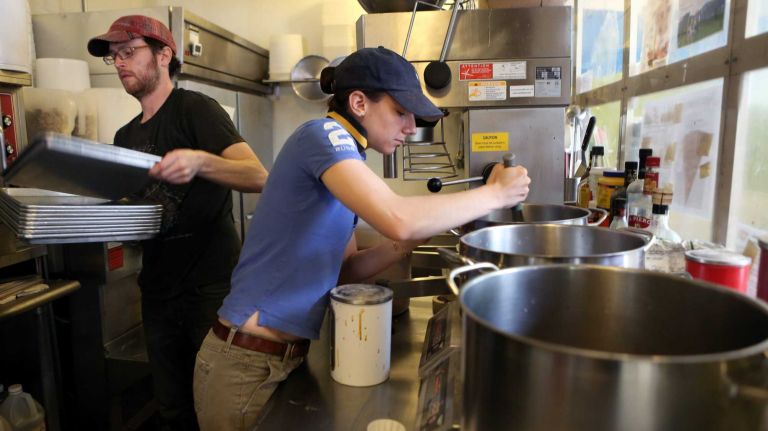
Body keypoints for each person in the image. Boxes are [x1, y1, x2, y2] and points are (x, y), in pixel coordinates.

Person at [193, 46, 530, 431]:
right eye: (400, 112)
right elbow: (398, 218)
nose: (410, 126)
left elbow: (345, 273)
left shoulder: (345, 158)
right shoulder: (323, 136)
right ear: (358, 102)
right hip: (245, 364)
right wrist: (495, 195)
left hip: (276, 358)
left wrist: (409, 242)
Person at [86, 15, 268, 431]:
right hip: (157, 295)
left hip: (211, 292)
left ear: (164, 54)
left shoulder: (194, 109)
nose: (119, 63)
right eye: (115, 57)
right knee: (173, 411)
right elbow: (137, 215)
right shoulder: (124, 136)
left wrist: (201, 161)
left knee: (217, 410)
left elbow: (258, 177)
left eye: (129, 52)